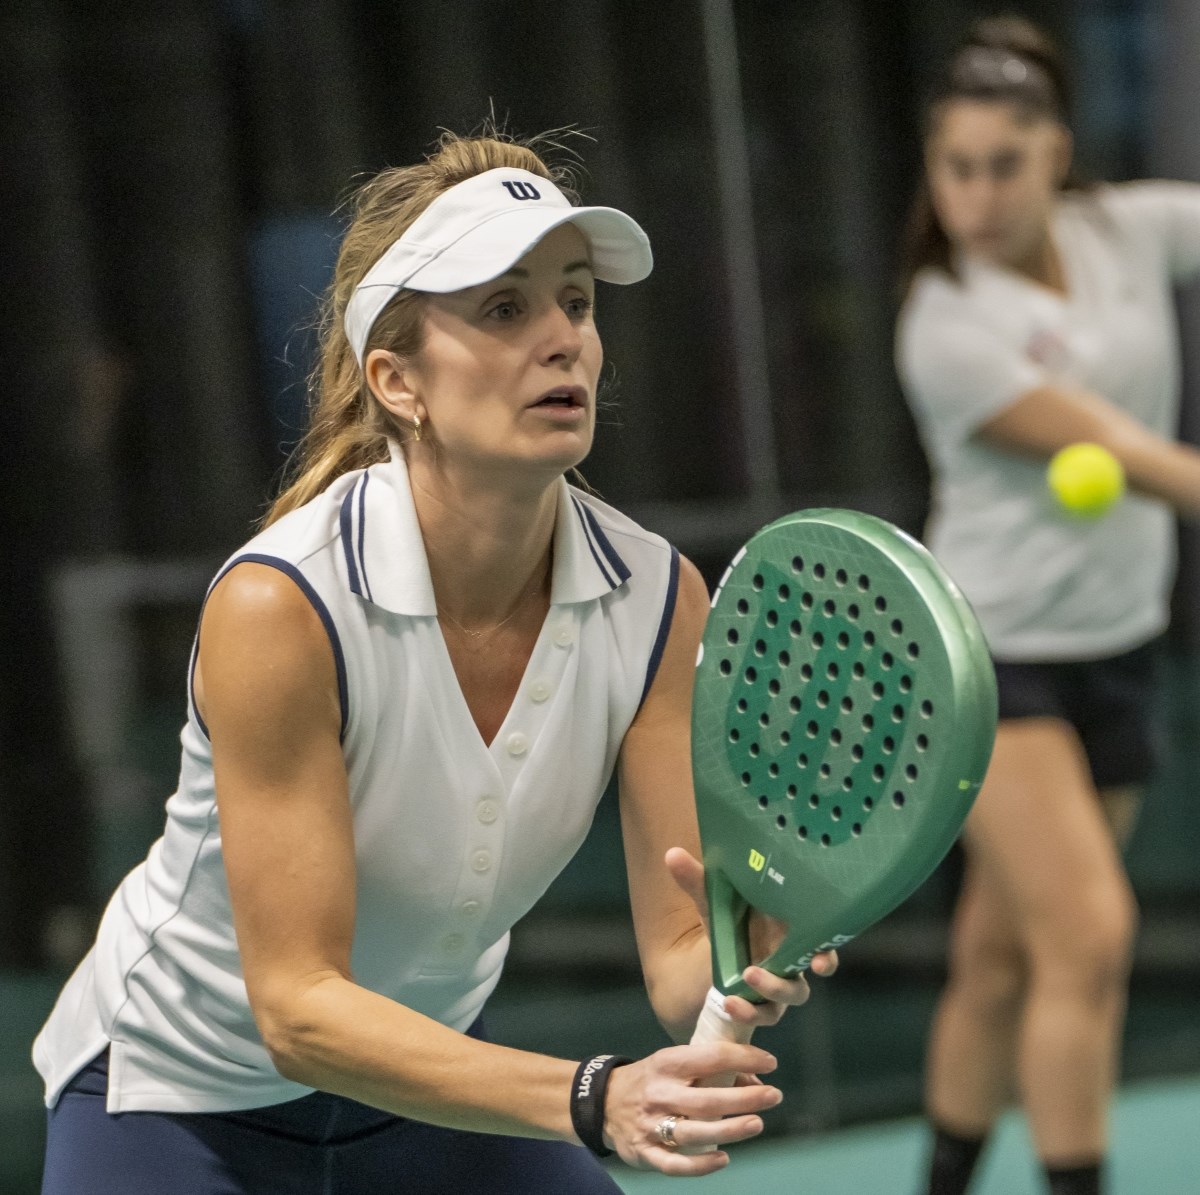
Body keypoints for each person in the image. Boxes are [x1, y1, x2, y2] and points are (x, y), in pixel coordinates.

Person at [33, 131, 836, 1192]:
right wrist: (593, 1097)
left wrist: (750, 963)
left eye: (578, 301)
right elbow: (299, 1009)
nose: (563, 340)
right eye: (505, 308)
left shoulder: (656, 600)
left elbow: (680, 950)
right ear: (397, 380)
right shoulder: (283, 606)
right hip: (180, 1098)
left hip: (428, 1090)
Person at [896, 17, 1200, 1195]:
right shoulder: (945, 325)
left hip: (1117, 643)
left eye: (1003, 164)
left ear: (1056, 154)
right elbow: (1120, 448)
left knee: (1002, 953)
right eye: (954, 166)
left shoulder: (1121, 230)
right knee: (1088, 936)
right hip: (991, 657)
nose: (976, 193)